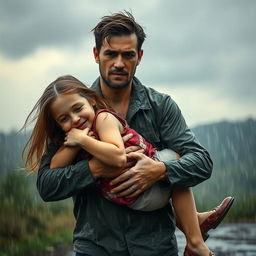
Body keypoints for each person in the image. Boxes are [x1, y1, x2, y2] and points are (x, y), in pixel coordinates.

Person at [25, 11, 234, 256]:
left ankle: (194, 233)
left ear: (139, 57)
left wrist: (159, 171)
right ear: (96, 55)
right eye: (110, 54)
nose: (119, 63)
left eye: (128, 55)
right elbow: (47, 186)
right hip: (96, 248)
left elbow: (201, 162)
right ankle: (194, 225)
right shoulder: (73, 111)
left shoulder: (160, 106)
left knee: (172, 157)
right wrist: (94, 169)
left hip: (155, 248)